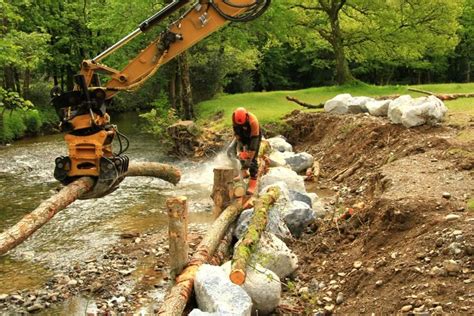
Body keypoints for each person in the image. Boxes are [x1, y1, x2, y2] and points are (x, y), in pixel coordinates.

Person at [228, 107, 262, 195]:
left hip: (254, 136)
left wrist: (249, 155)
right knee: (236, 153)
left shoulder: (253, 122)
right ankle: (244, 172)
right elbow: (237, 133)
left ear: (246, 117)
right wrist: (240, 150)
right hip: (242, 134)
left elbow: (253, 144)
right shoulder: (234, 118)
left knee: (252, 159)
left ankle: (253, 183)